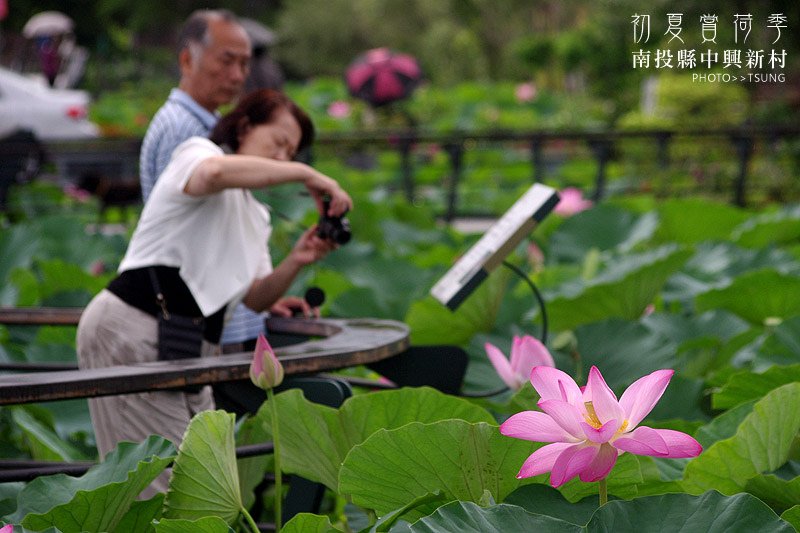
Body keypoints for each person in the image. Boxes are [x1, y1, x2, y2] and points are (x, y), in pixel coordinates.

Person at [77, 89, 352, 495]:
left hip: (187, 350)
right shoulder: (197, 152)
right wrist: (307, 174)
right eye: (278, 144)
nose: (282, 159)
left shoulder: (255, 215)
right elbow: (212, 175)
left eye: (292, 153)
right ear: (244, 126)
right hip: (130, 333)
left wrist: (299, 259)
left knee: (208, 488)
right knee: (162, 494)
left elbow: (256, 297)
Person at [140, 9, 292, 354]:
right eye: (226, 61)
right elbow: (195, 244)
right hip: (196, 323)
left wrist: (258, 294)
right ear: (187, 60)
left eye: (244, 64)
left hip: (222, 314)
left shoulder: (208, 124)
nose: (238, 75)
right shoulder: (183, 128)